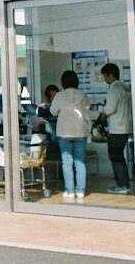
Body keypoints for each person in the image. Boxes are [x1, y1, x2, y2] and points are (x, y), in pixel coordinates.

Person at [49, 70, 90, 201]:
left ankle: (70, 191)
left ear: (63, 82)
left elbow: (53, 111)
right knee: (80, 162)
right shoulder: (83, 95)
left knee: (67, 162)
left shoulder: (59, 96)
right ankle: (81, 191)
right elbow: (87, 111)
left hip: (64, 132)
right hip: (80, 131)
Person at [101, 63, 132, 194]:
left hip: (116, 129)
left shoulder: (114, 89)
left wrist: (103, 109)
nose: (104, 79)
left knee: (115, 158)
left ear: (110, 75)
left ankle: (122, 185)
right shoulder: (125, 89)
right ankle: (124, 183)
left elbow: (109, 109)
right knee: (120, 157)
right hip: (125, 128)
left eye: (105, 76)